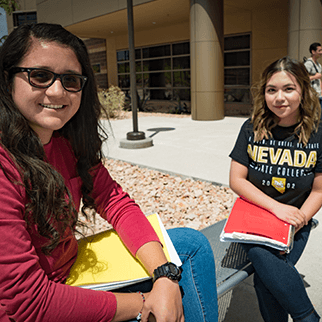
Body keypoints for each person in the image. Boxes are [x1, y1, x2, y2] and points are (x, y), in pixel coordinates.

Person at [0, 23, 219, 322]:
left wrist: (164, 276)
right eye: (39, 76)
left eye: (70, 79)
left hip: (70, 272)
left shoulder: (67, 142)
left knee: (191, 246)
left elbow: (114, 201)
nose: (56, 90)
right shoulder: (4, 164)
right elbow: (27, 302)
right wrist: (146, 301)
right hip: (38, 306)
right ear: (7, 78)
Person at [229, 56, 321, 322]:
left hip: (296, 222)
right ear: (264, 93)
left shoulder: (318, 134)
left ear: (303, 90)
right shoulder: (251, 129)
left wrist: (300, 219)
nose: (279, 98)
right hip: (257, 217)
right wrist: (276, 208)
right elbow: (237, 180)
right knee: (260, 253)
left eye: (288, 89)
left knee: (265, 280)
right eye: (272, 90)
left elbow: (318, 191)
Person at [304, 42, 322, 108]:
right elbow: (303, 78)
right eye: (319, 50)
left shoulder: (319, 65)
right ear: (313, 52)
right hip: (311, 94)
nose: (321, 52)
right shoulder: (308, 63)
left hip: (318, 94)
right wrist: (314, 77)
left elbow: (319, 80)